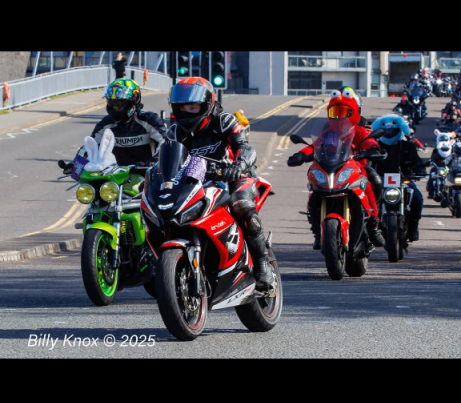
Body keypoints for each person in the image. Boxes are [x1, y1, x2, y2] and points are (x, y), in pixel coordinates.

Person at [166, 76, 274, 290]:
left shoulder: (224, 121)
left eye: (193, 107)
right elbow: (164, 159)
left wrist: (239, 164)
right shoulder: (174, 132)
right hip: (196, 179)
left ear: (207, 104)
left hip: (233, 176)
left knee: (242, 206)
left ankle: (262, 263)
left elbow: (245, 147)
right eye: (183, 107)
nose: (187, 112)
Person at [287, 91, 385, 249]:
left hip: (357, 167)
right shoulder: (328, 134)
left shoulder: (359, 131)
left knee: (374, 182)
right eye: (335, 112)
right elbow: (314, 146)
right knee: (315, 191)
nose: (339, 116)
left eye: (344, 112)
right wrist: (301, 155)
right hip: (331, 167)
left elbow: (369, 141)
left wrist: (373, 149)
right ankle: (317, 232)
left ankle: (374, 223)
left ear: (353, 113)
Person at [58, 78, 166, 175]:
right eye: (112, 103)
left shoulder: (149, 120)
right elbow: (90, 146)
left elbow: (165, 143)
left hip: (145, 174)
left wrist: (155, 160)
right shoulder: (106, 123)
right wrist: (75, 163)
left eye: (120, 103)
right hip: (114, 175)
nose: (115, 107)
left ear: (134, 101)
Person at [370, 114, 428, 241]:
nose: (390, 133)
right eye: (387, 131)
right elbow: (368, 163)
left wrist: (419, 168)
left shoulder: (407, 146)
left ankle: (413, 226)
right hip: (380, 180)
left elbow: (416, 161)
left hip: (404, 180)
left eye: (393, 130)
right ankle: (369, 229)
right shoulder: (375, 147)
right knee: (367, 200)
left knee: (417, 198)